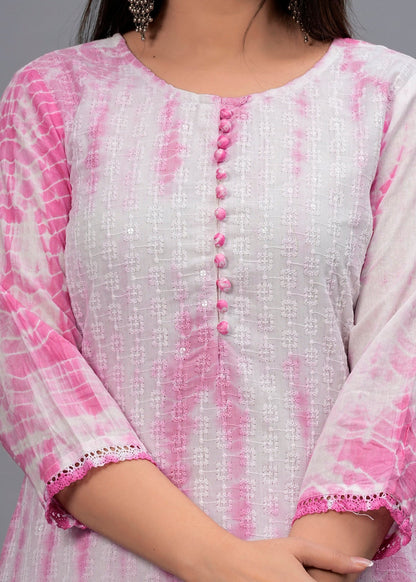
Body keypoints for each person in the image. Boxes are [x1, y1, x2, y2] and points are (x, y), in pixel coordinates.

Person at [0, 0, 415, 579]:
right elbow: (21, 350)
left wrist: (312, 571)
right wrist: (218, 561)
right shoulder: (53, 94)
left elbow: (400, 364)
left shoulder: (389, 93)